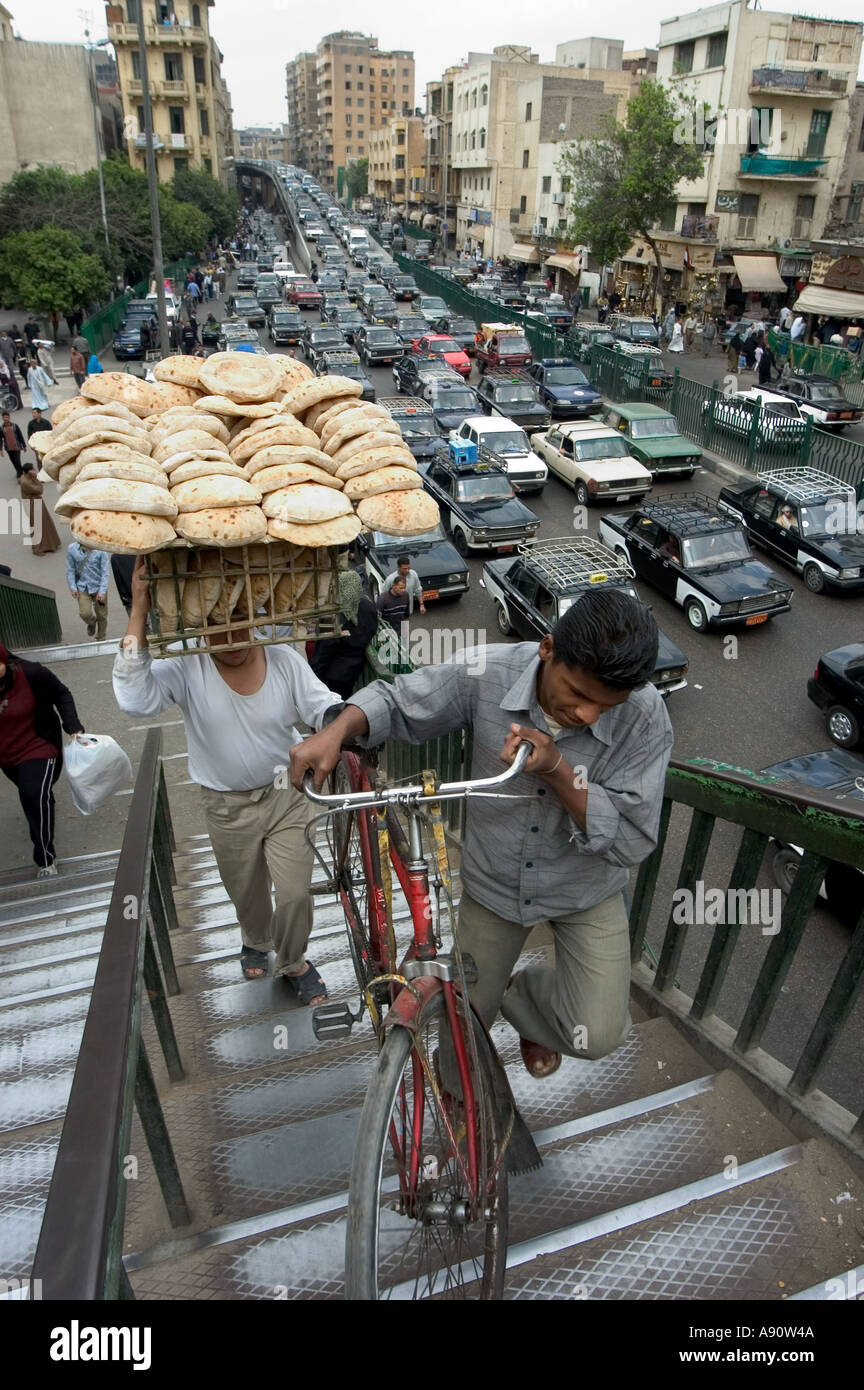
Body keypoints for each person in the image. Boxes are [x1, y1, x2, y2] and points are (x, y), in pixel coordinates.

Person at [290, 590, 673, 1081]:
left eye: (606, 705)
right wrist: (337, 729)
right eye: (578, 695)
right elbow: (400, 700)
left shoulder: (644, 717)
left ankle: (524, 1000)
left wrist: (557, 768)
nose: (589, 715)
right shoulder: (487, 672)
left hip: (585, 887)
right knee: (462, 1033)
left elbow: (633, 840)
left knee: (598, 1033)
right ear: (547, 649)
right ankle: (461, 1102)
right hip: (494, 883)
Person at [112, 559, 342, 994]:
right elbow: (134, 699)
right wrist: (139, 610)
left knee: (294, 893)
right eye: (216, 625)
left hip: (286, 796)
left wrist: (342, 722)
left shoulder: (282, 659)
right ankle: (255, 941)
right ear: (198, 627)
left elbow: (320, 704)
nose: (231, 637)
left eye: (240, 622)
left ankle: (292, 961)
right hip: (225, 805)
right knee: (246, 891)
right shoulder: (186, 667)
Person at [0, 641, 85, 879]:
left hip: (38, 745)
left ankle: (46, 859)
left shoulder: (30, 673)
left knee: (33, 794)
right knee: (33, 794)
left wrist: (73, 726)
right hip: (7, 755)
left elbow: (61, 693)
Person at [308, 571, 379, 700]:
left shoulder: (336, 614)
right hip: (355, 669)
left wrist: (312, 679)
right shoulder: (368, 606)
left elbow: (324, 652)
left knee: (331, 706)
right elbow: (372, 629)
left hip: (332, 675)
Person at [66, 541, 110, 639]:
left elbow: (105, 572)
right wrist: (72, 587)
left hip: (98, 586)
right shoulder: (72, 548)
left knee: (102, 615)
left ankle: (101, 637)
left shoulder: (101, 549)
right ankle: (92, 622)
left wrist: (102, 591)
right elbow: (70, 569)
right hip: (82, 586)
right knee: (85, 613)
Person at [18, 463, 61, 554]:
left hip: (36, 502)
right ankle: (38, 548)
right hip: (33, 504)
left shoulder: (25, 477)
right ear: (29, 471)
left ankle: (50, 544)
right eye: (33, 470)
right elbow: (39, 490)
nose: (35, 471)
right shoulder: (26, 482)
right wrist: (37, 478)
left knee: (44, 523)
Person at [1, 410, 26, 478]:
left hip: (17, 447)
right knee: (13, 461)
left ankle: (20, 475)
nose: (5, 419)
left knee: (17, 460)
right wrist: (1, 450)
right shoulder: (1, 428)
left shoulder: (15, 426)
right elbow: (0, 439)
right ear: (2, 418)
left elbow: (20, 435)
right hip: (9, 448)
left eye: (7, 417)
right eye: (4, 417)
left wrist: (24, 445)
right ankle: (19, 471)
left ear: (9, 417)